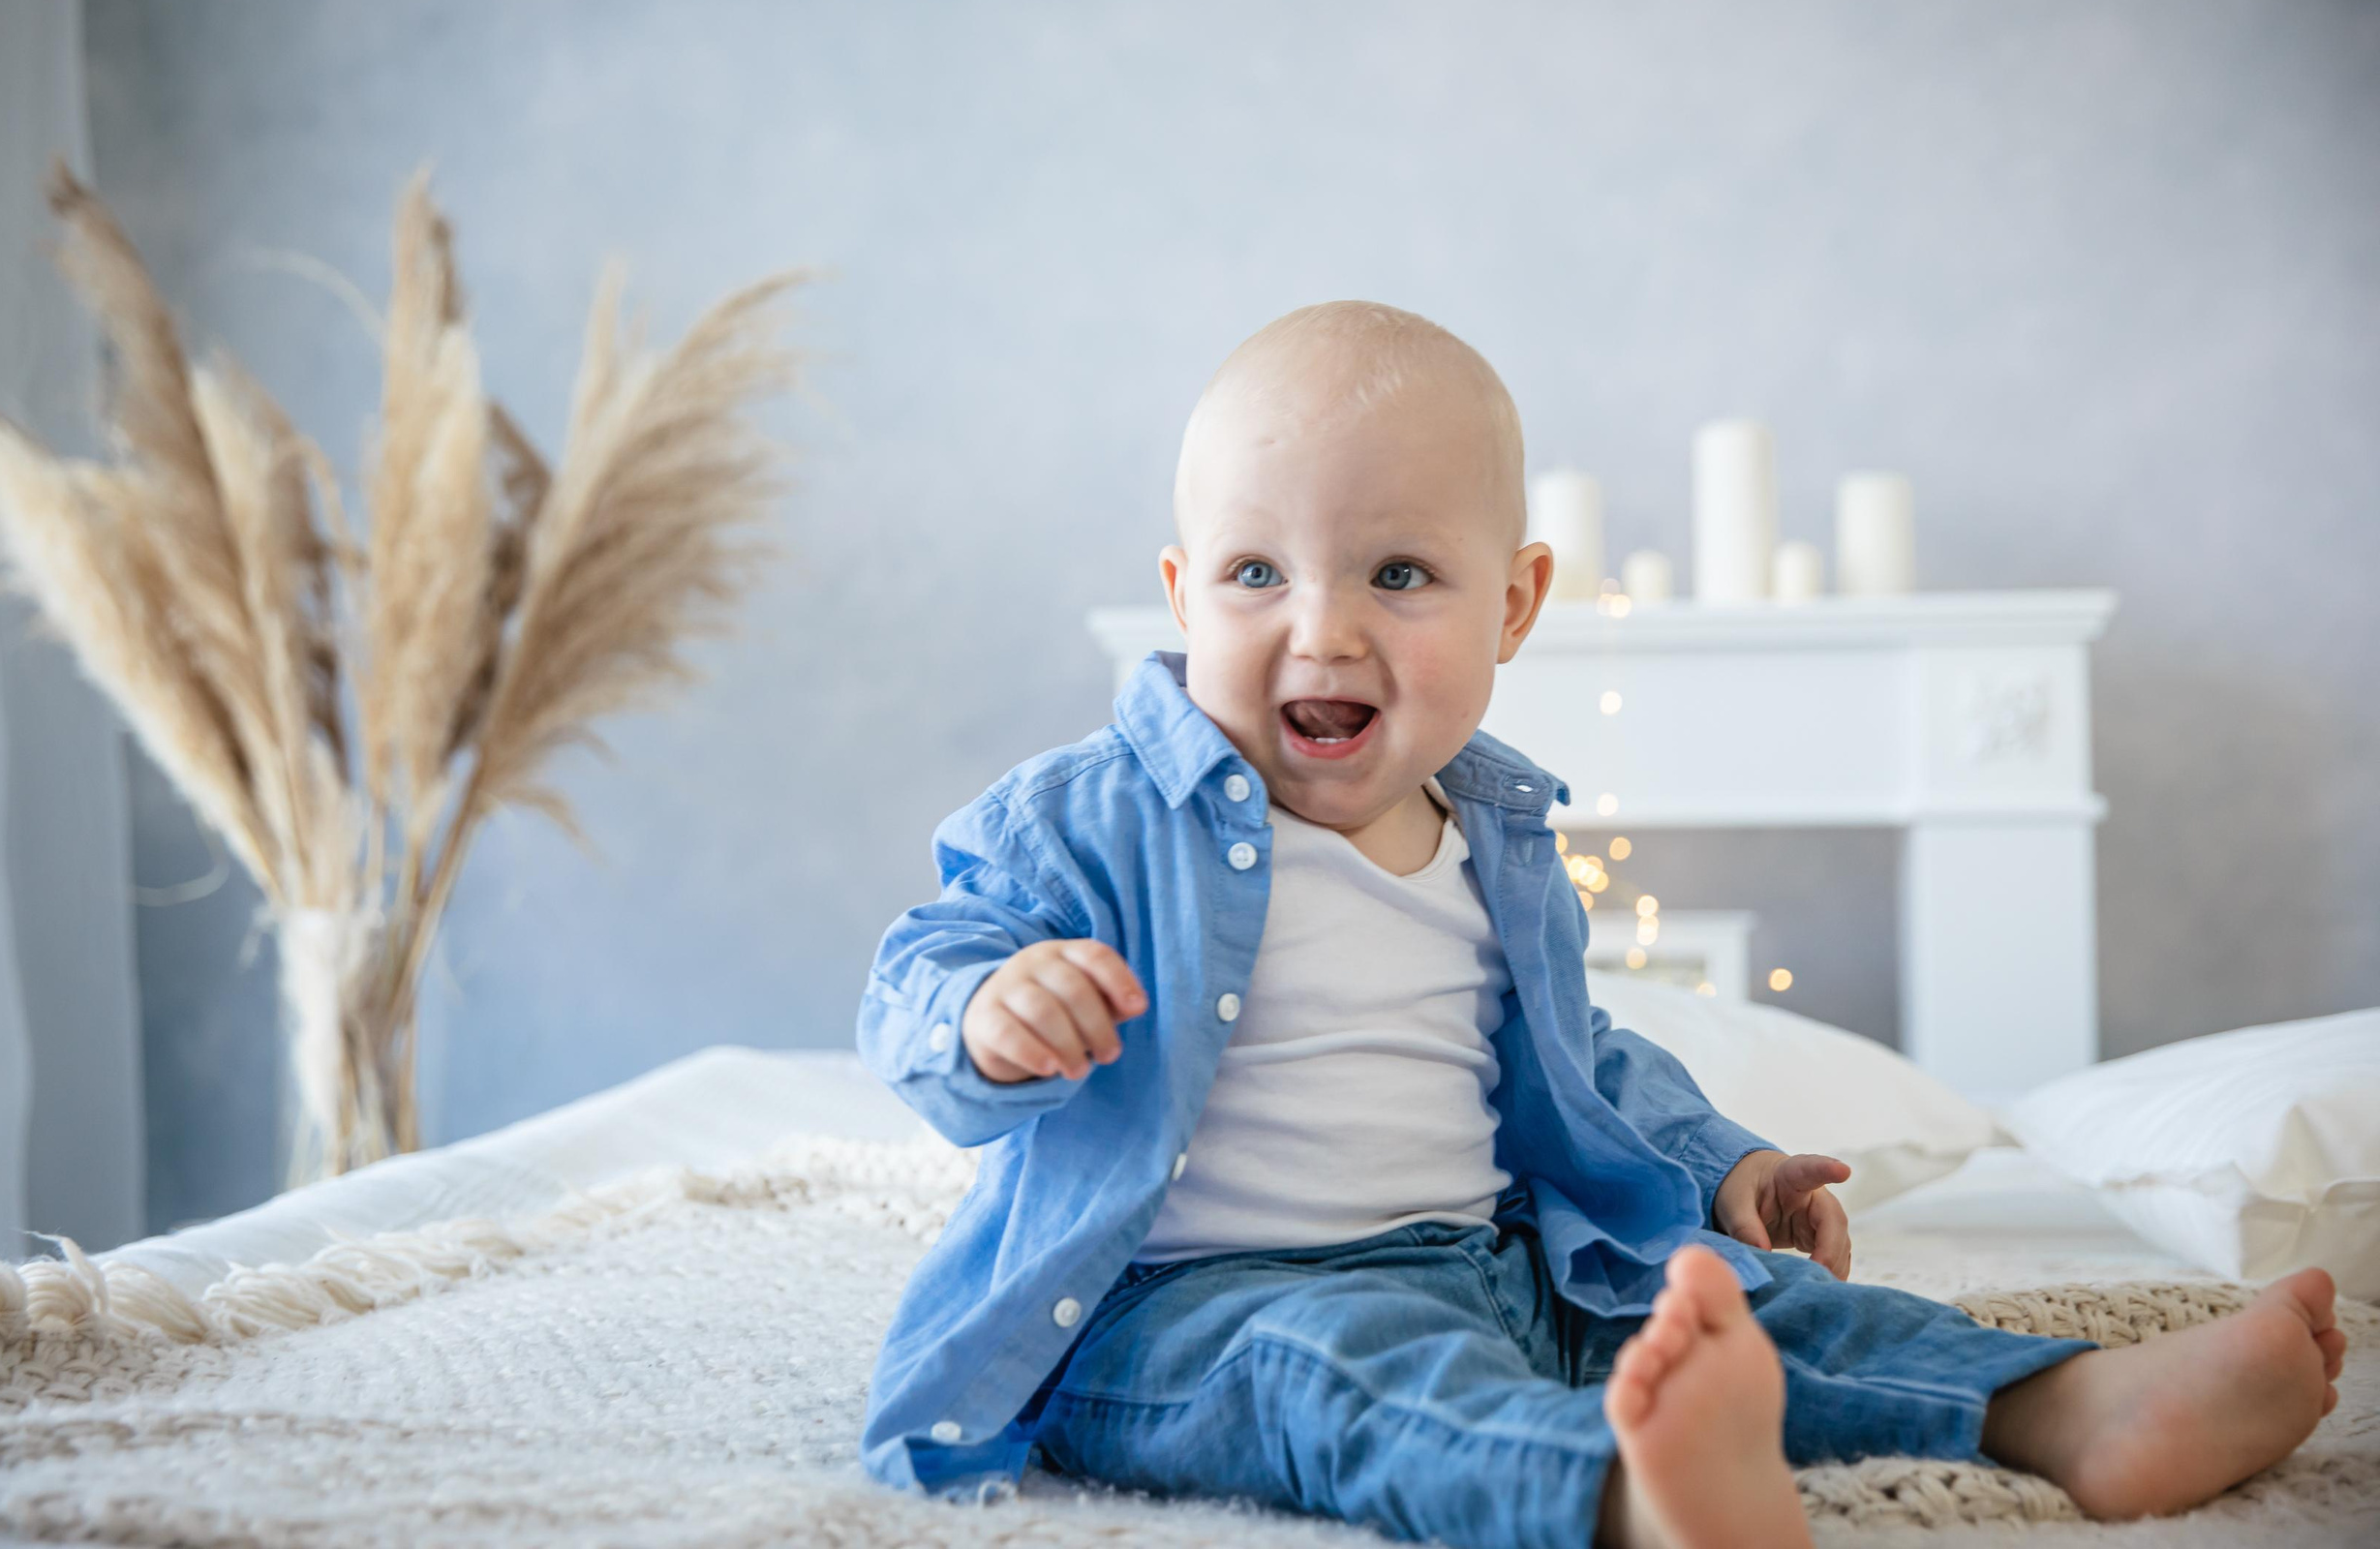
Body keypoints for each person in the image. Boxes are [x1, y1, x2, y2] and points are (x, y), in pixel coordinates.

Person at [854, 301, 2348, 1549]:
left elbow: (1582, 1066)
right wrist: (990, 1015)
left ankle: (2070, 1408)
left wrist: (1729, 1169)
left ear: (1514, 605)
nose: (1324, 627)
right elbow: (922, 969)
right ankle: (1631, 1490)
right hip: (1184, 1314)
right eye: (1257, 574)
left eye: (1398, 573)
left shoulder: (1492, 840)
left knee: (1753, 1313)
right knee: (1345, 1377)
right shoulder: (1092, 817)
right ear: (1184, 596)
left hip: (1500, 1261)